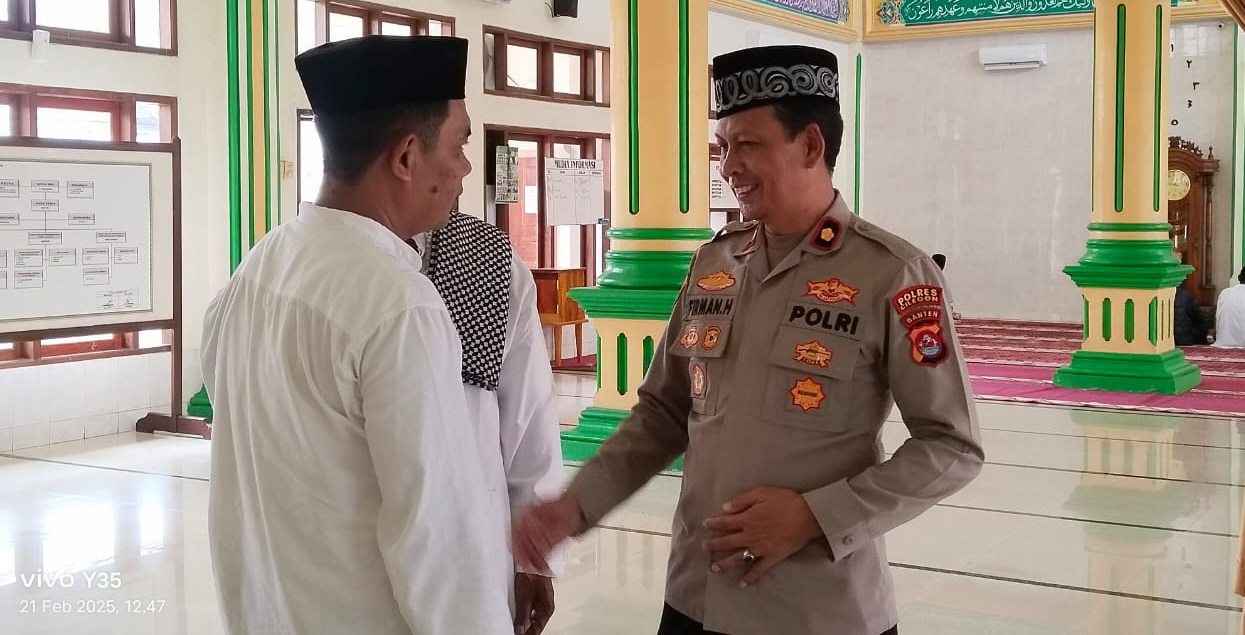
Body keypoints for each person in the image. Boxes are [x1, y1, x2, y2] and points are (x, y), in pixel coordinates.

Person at [513, 45, 985, 635]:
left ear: (810, 145)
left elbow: (952, 446)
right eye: (722, 147)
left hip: (816, 613)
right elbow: (663, 414)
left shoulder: (891, 273)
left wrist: (814, 516)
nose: (728, 166)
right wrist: (574, 505)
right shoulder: (716, 263)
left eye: (748, 145)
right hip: (694, 599)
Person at [200, 35, 513, 635]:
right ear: (406, 157)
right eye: (460, 144)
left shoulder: (257, 269)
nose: (466, 168)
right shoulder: (399, 304)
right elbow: (440, 540)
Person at [412, 207, 563, 635]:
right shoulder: (315, 263)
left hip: (469, 543)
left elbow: (529, 419)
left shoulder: (487, 260)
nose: (464, 174)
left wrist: (533, 559)